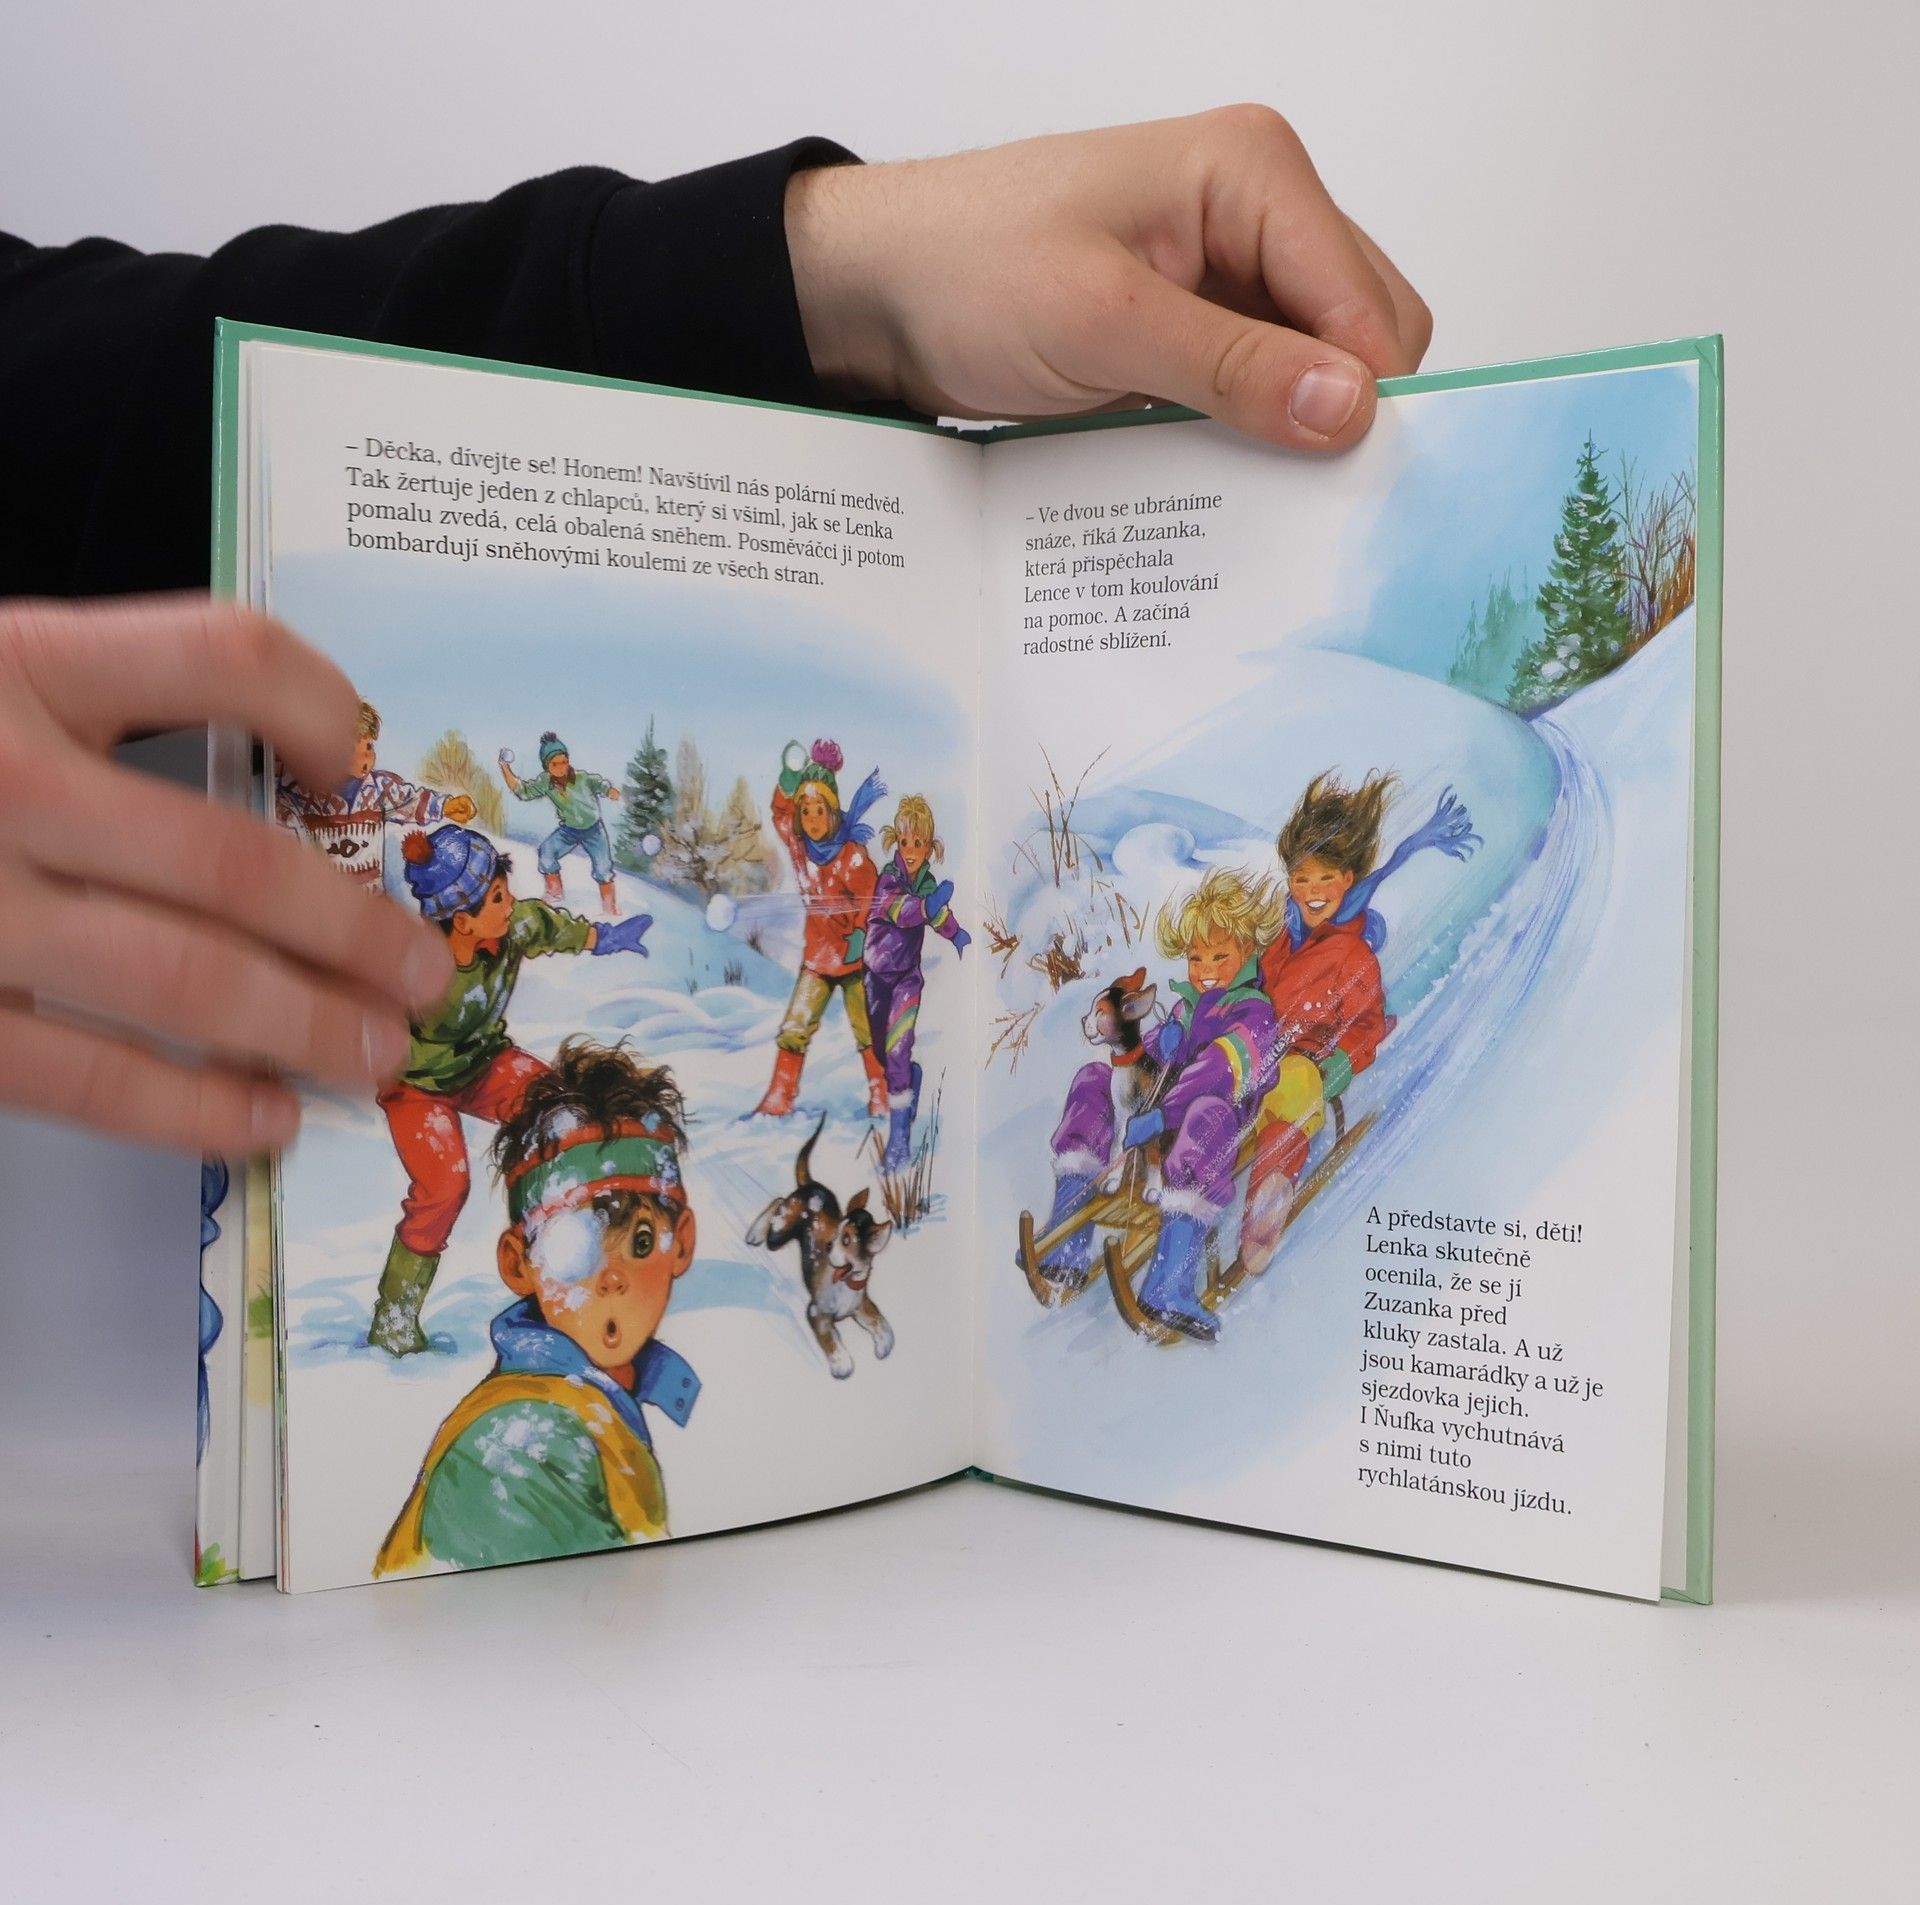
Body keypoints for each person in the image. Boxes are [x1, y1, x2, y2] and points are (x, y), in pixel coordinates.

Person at [0, 109, 1431, 1152]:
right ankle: (825, 1099)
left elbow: (73, 381)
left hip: (884, 980)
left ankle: (903, 1112)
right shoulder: (814, 848)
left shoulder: (868, 863)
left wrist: (813, 274)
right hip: (787, 972)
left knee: (876, 1044)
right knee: (814, 1028)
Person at [374, 1038, 701, 1577]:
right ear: (518, 1263)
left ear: (681, 1243)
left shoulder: (588, 1399)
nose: (612, 1276)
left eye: (641, 1242)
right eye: (573, 1246)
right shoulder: (525, 1447)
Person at [369, 824, 654, 1356]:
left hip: (484, 1062)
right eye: (498, 897)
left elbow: (551, 927)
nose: (510, 904)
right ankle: (396, 1314)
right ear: (462, 920)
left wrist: (604, 938)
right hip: (416, 1086)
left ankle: (574, 1252)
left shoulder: (514, 926)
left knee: (563, 1113)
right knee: (445, 1187)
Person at [1239, 774, 1480, 1273]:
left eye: (1324, 878)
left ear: (1348, 880)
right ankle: (1177, 1193)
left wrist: (1341, 1066)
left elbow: (1365, 1027)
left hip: (1299, 1071)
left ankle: (1268, 1200)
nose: (1312, 892)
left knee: (1294, 1088)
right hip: (1252, 1064)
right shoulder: (1282, 943)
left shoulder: (1353, 957)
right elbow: (1254, 992)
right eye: (1301, 879)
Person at [1038, 868, 1285, 1341]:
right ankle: (1066, 1242)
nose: (1206, 969)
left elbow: (1217, 1070)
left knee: (1205, 1117)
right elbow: (1146, 1061)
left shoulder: (1255, 1014)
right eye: (1196, 957)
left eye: (1220, 956)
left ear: (1248, 952)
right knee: (1093, 1081)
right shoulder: (1185, 1009)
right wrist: (1147, 1049)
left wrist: (1161, 1115)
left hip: (1213, 1123)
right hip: (1159, 1119)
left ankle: (1171, 1285)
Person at [754, 737, 888, 1119]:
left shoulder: (852, 855)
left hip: (857, 962)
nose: (812, 819)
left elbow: (870, 899)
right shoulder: (800, 847)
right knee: (795, 1026)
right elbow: (780, 813)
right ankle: (780, 1095)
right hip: (818, 960)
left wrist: (860, 936)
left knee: (867, 1029)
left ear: (833, 812)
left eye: (820, 810)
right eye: (806, 810)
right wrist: (788, 779)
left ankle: (881, 1092)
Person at [276, 697, 476, 895]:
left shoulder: (380, 789)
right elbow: (279, 813)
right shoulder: (305, 793)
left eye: (369, 747)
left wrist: (445, 806)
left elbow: (409, 801)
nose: (366, 758)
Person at [865, 794, 969, 1170]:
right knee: (882, 1053)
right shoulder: (888, 879)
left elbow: (936, 915)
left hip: (906, 980)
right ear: (896, 840)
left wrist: (955, 933)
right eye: (905, 842)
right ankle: (910, 1077)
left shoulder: (928, 887)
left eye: (918, 843)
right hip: (875, 976)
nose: (910, 851)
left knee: (897, 1050)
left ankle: (899, 1141)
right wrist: (927, 908)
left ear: (929, 847)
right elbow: (899, 910)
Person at [498, 731, 623, 915]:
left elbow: (598, 783)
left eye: (564, 762)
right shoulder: (545, 782)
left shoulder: (581, 778)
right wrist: (504, 766)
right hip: (569, 831)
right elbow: (523, 791)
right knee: (546, 852)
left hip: (594, 830)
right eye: (555, 764)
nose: (561, 767)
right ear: (547, 766)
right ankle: (555, 893)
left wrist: (609, 790)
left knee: (603, 867)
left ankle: (610, 906)